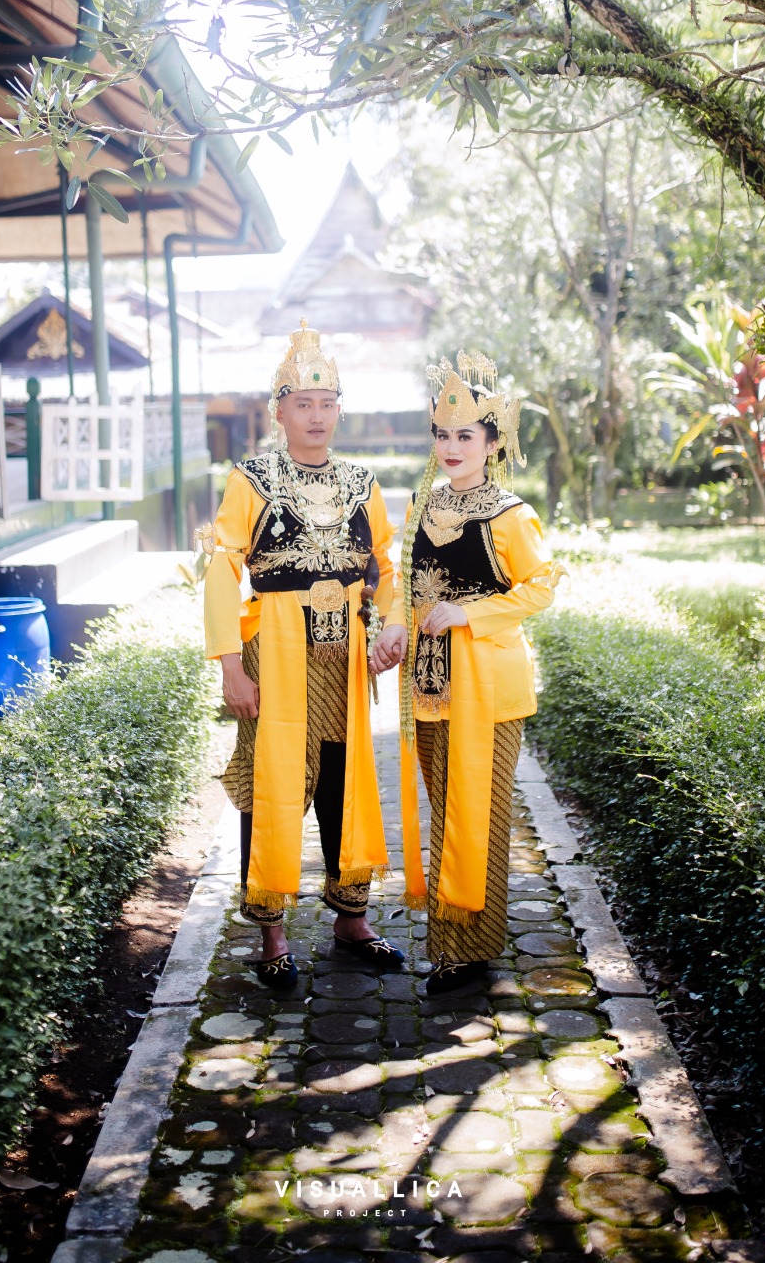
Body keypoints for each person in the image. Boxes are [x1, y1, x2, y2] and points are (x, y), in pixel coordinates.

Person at [202, 321, 404, 989]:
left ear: (339, 409)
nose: (316, 415)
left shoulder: (363, 482)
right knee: (273, 783)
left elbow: (387, 566)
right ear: (279, 411)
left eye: (327, 403)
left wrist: (390, 626)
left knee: (345, 782)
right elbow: (223, 566)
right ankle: (272, 933)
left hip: (344, 657)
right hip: (275, 651)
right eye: (303, 403)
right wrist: (231, 664)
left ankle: (352, 919)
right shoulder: (252, 479)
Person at [370, 351, 566, 996]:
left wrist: (469, 612)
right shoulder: (422, 507)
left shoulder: (510, 514)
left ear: (492, 442)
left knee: (477, 812)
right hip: (429, 687)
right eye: (442, 435)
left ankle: (468, 950)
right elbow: (404, 586)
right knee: (447, 811)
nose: (451, 448)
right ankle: (456, 941)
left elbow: (542, 586)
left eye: (464, 436)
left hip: (486, 686)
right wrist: (394, 626)